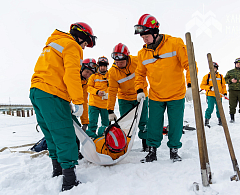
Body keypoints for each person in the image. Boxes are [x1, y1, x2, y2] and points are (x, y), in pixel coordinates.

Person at [29, 22, 96, 191]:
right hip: (53, 94)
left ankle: (57, 171)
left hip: (37, 92)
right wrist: (78, 101)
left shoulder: (53, 43)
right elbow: (71, 74)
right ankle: (69, 181)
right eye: (86, 43)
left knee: (51, 135)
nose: (84, 47)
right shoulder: (72, 46)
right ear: (81, 37)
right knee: (65, 135)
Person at [134, 14, 193, 163]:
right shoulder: (142, 53)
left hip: (176, 93)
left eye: (146, 36)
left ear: (155, 32)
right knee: (153, 124)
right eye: (142, 37)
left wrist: (191, 85)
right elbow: (139, 74)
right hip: (156, 95)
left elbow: (189, 65)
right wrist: (140, 90)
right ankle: (152, 151)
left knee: (176, 124)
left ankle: (174, 150)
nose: (144, 39)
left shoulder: (175, 43)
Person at [107, 43, 149, 152]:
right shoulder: (112, 72)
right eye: (117, 62)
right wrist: (110, 110)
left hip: (141, 95)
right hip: (124, 99)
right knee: (125, 124)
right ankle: (123, 145)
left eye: (121, 61)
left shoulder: (136, 61)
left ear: (127, 57)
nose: (119, 64)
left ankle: (146, 145)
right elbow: (112, 91)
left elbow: (148, 72)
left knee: (143, 121)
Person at [75, 58, 97, 160]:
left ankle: (76, 151)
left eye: (90, 74)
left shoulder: (85, 83)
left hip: (73, 109)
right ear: (82, 68)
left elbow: (84, 102)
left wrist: (85, 121)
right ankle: (73, 152)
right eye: (86, 72)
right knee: (72, 130)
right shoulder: (74, 77)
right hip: (64, 105)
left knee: (78, 129)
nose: (88, 75)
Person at [86, 56, 109, 139]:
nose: (102, 67)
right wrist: (97, 92)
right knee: (92, 123)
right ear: (98, 66)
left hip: (105, 105)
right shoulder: (93, 76)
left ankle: (105, 139)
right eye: (101, 65)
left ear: (107, 66)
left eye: (104, 66)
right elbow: (88, 87)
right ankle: (91, 138)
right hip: (94, 104)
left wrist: (108, 93)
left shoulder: (110, 76)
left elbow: (114, 88)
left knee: (106, 124)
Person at [200, 62, 227, 127]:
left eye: (214, 68)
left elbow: (223, 86)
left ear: (216, 68)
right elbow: (202, 86)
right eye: (212, 68)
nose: (213, 69)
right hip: (210, 95)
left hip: (219, 95)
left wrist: (225, 93)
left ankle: (220, 120)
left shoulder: (220, 76)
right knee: (210, 108)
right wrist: (209, 87)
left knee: (219, 108)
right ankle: (207, 120)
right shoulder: (207, 76)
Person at [224, 57, 240, 123]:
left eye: (239, 63)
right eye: (237, 63)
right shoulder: (230, 72)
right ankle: (232, 118)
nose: (238, 65)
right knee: (232, 105)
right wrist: (231, 80)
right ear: (235, 64)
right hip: (232, 91)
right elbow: (224, 80)